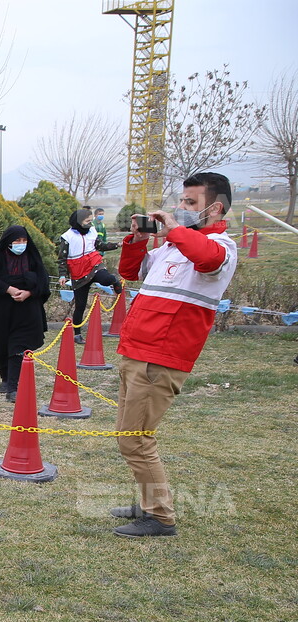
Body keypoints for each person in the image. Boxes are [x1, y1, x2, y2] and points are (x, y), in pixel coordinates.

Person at [109, 172, 239, 538]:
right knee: (130, 434)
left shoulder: (222, 247)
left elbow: (207, 259)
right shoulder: (171, 246)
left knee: (134, 438)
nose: (180, 208)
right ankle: (150, 501)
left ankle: (160, 516)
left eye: (190, 203)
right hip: (138, 351)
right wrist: (137, 240)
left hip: (161, 357)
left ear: (214, 208)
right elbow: (130, 272)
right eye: (181, 201)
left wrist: (174, 231)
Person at [0, 225, 51, 401]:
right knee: (1, 344)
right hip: (2, 311)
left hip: (27, 311)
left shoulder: (32, 258)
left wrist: (29, 293)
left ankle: (13, 387)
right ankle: (5, 376)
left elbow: (43, 283)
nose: (21, 244)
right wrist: (9, 289)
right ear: (8, 242)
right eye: (17, 241)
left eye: (24, 241)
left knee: (18, 347)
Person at [57, 208, 122, 343]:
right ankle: (77, 334)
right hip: (78, 270)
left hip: (93, 262)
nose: (90, 224)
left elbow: (100, 245)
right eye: (87, 221)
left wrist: (117, 245)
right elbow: (62, 258)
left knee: (106, 279)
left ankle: (115, 281)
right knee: (80, 305)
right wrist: (62, 275)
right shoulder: (67, 237)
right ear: (79, 221)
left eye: (90, 221)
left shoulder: (92, 231)